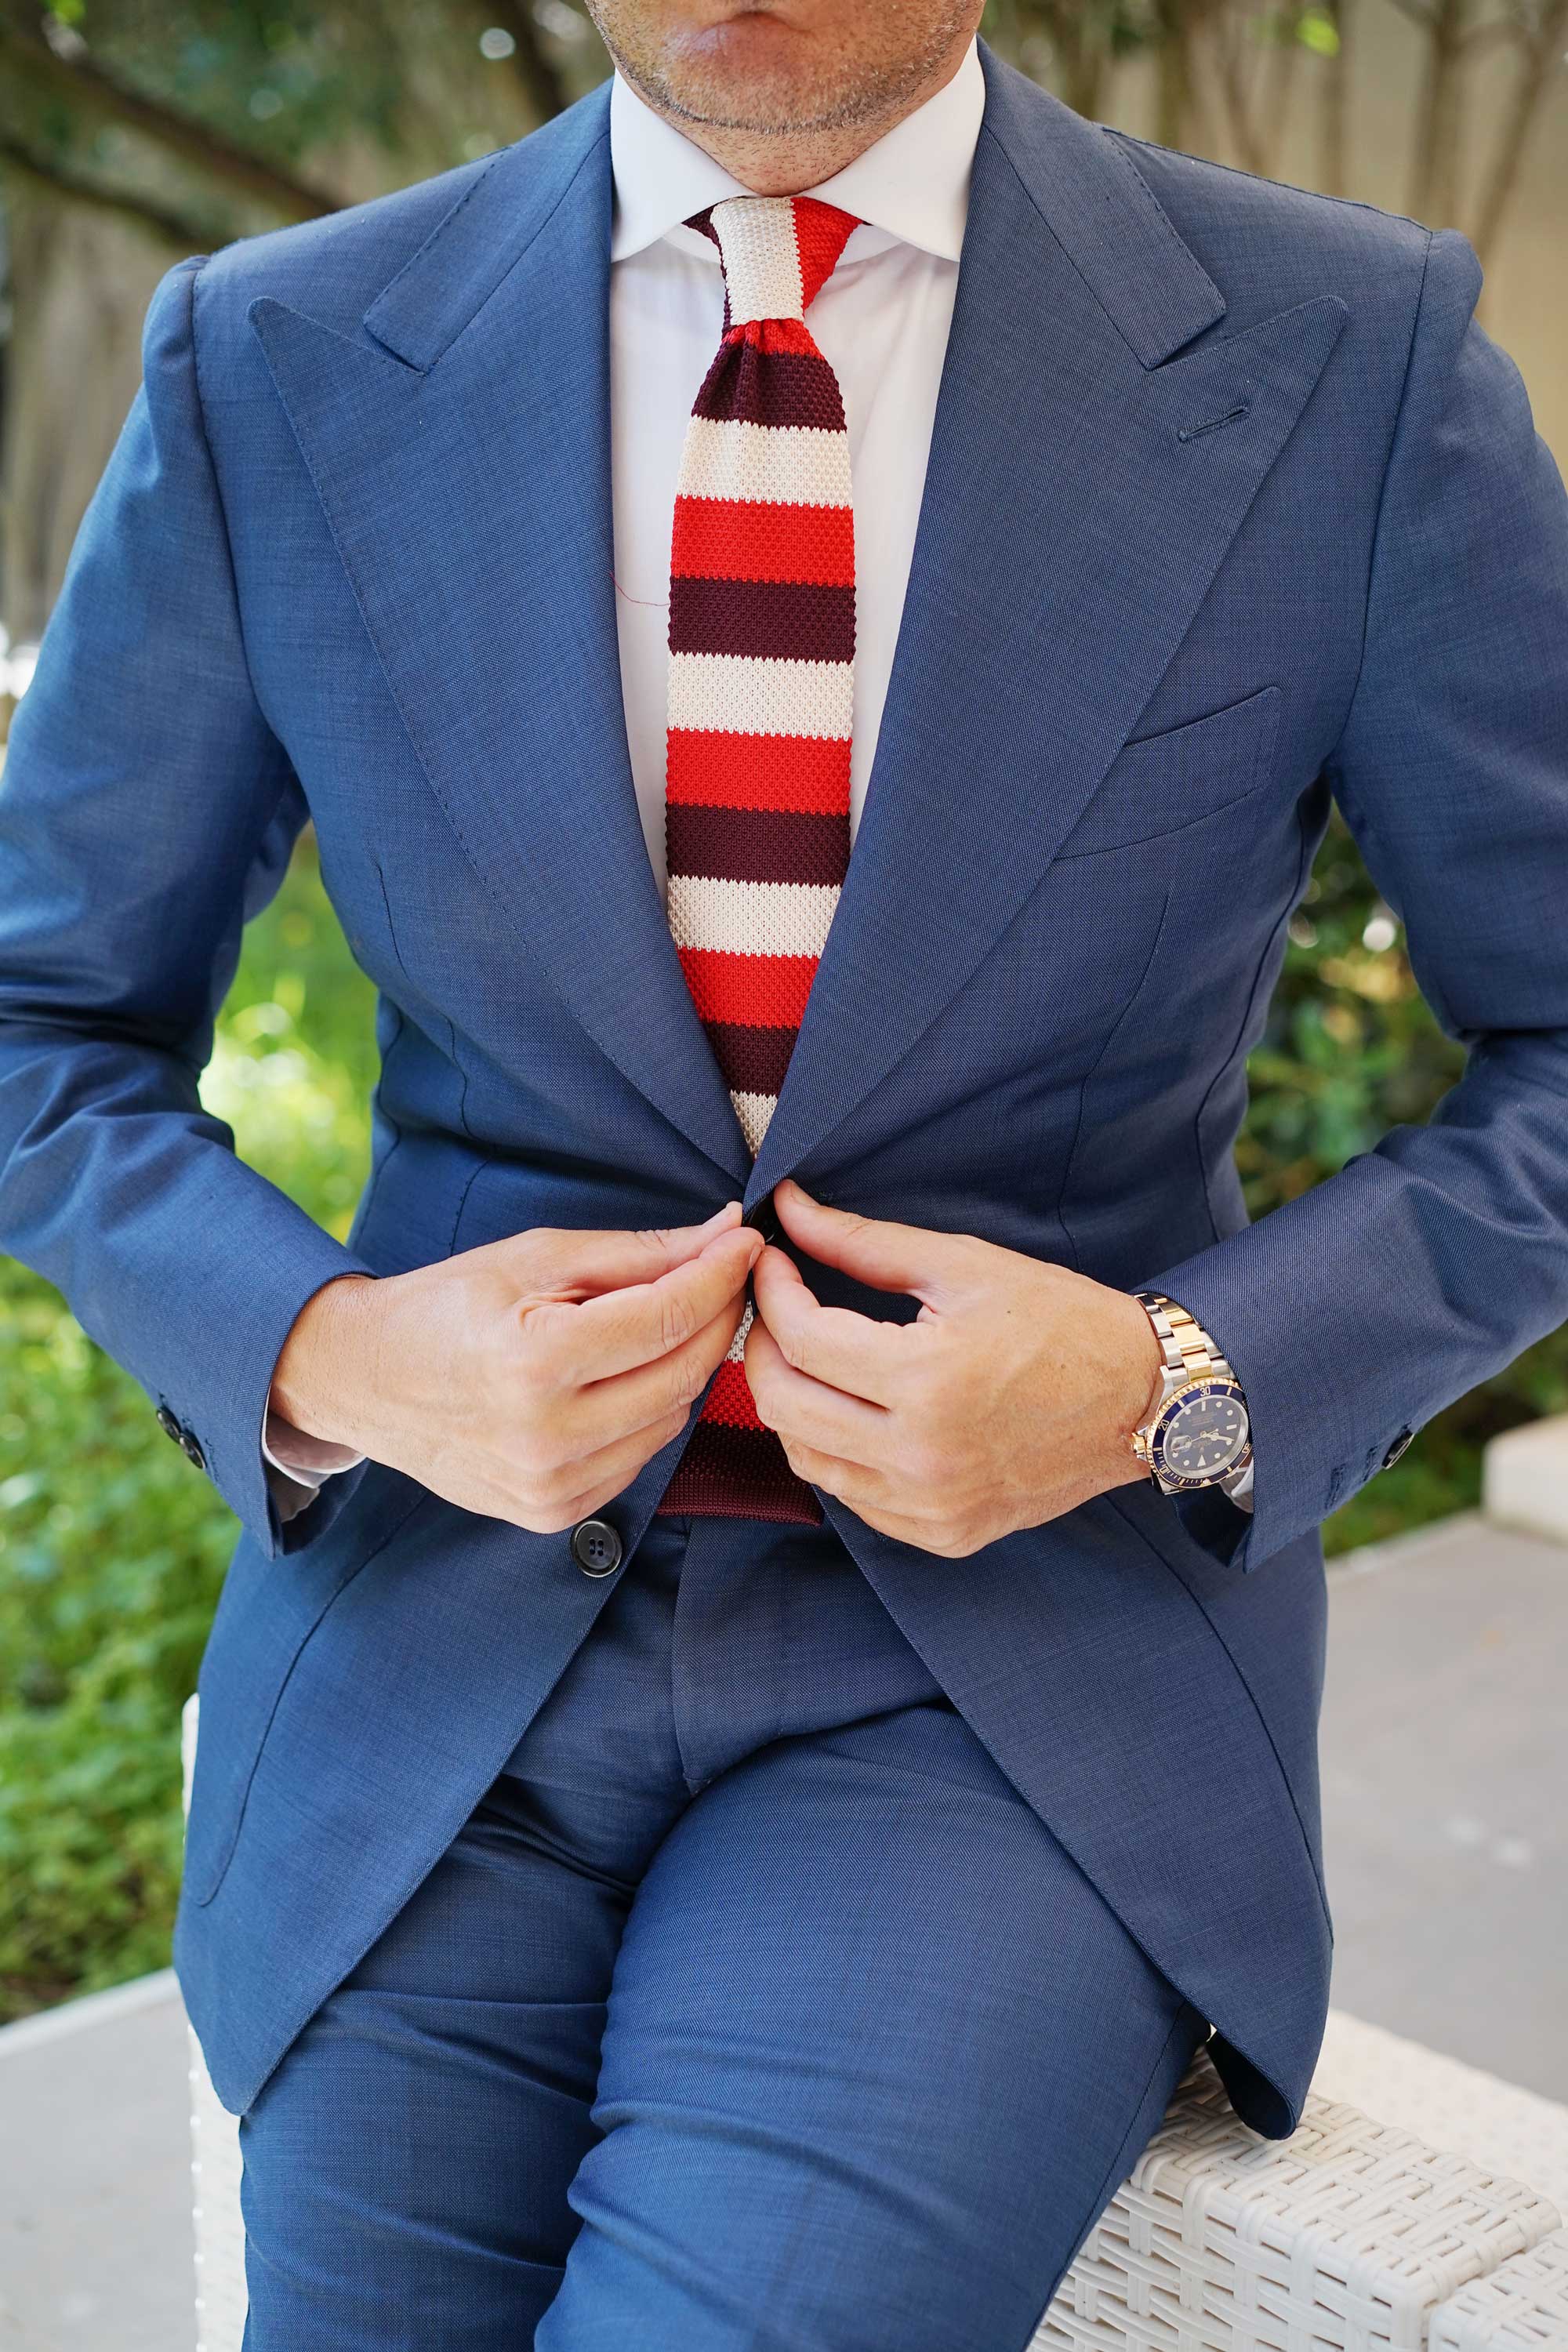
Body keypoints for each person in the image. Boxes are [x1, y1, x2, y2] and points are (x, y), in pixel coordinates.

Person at [2, 1, 1566, 2342]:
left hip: (1006, 1689)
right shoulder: (283, 356)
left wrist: (1174, 1376)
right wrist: (330, 1354)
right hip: (439, 1655)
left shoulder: (1349, 356)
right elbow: (44, 1017)